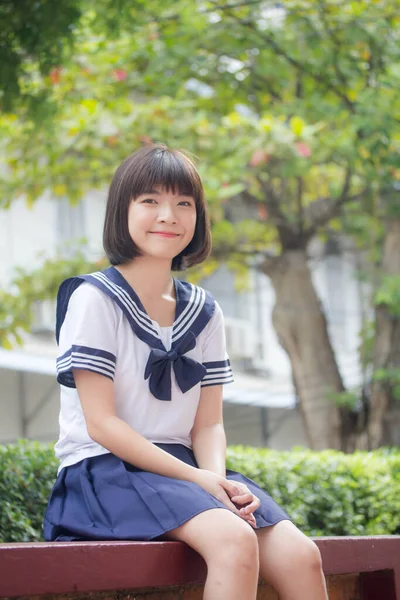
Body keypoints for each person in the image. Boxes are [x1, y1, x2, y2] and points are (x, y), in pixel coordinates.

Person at [44, 144, 329, 600]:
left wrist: (216, 481)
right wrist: (200, 482)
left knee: (301, 555)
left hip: (188, 472)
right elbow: (101, 424)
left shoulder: (204, 310)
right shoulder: (93, 298)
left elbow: (209, 422)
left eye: (183, 203)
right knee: (234, 541)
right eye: (151, 201)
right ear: (123, 210)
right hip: (106, 473)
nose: (168, 215)